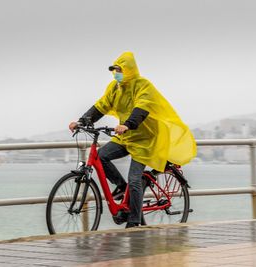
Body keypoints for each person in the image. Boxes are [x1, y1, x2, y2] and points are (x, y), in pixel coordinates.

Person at [69, 51, 197, 228]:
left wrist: (128, 124)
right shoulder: (115, 87)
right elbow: (101, 105)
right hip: (126, 137)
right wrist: (82, 121)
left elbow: (142, 108)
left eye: (119, 70)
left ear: (129, 69)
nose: (116, 74)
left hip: (146, 139)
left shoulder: (143, 86)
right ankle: (121, 187)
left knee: (135, 178)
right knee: (102, 156)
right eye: (114, 71)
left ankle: (134, 221)